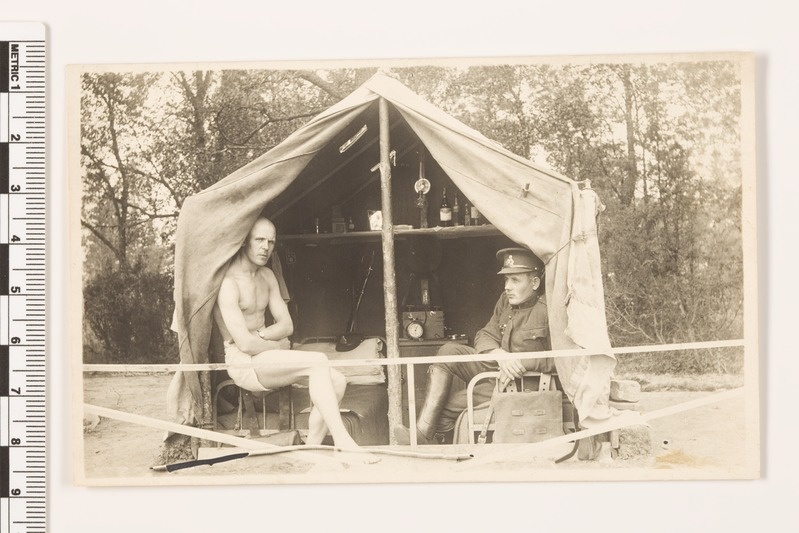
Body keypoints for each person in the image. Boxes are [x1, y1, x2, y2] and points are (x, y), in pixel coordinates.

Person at [213, 216, 360, 450]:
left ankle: (311, 448)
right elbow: (244, 344)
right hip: (243, 363)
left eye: (271, 242)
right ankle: (343, 440)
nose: (265, 247)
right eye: (259, 240)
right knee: (318, 361)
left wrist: (261, 337)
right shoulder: (229, 283)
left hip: (264, 354)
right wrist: (274, 343)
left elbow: (287, 326)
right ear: (244, 241)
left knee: (338, 381)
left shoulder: (267, 276)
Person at [394, 247, 557, 445]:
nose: (507, 287)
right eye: (506, 279)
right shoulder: (505, 302)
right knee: (448, 351)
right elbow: (485, 334)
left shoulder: (549, 310)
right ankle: (422, 433)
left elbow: (562, 359)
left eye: (515, 280)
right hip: (498, 370)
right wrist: (499, 354)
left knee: (445, 410)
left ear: (535, 283)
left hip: (523, 384)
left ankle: (444, 449)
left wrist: (520, 362)